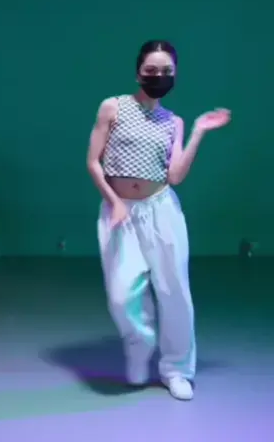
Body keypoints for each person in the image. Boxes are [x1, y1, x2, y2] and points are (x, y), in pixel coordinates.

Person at [86, 40, 230, 401]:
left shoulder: (173, 122)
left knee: (174, 292)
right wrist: (114, 202)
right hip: (119, 212)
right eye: (151, 70)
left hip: (161, 210)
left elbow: (175, 175)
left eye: (167, 71)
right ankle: (139, 349)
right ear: (138, 73)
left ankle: (177, 370)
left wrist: (198, 131)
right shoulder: (113, 107)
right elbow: (92, 162)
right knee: (122, 295)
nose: (159, 76)